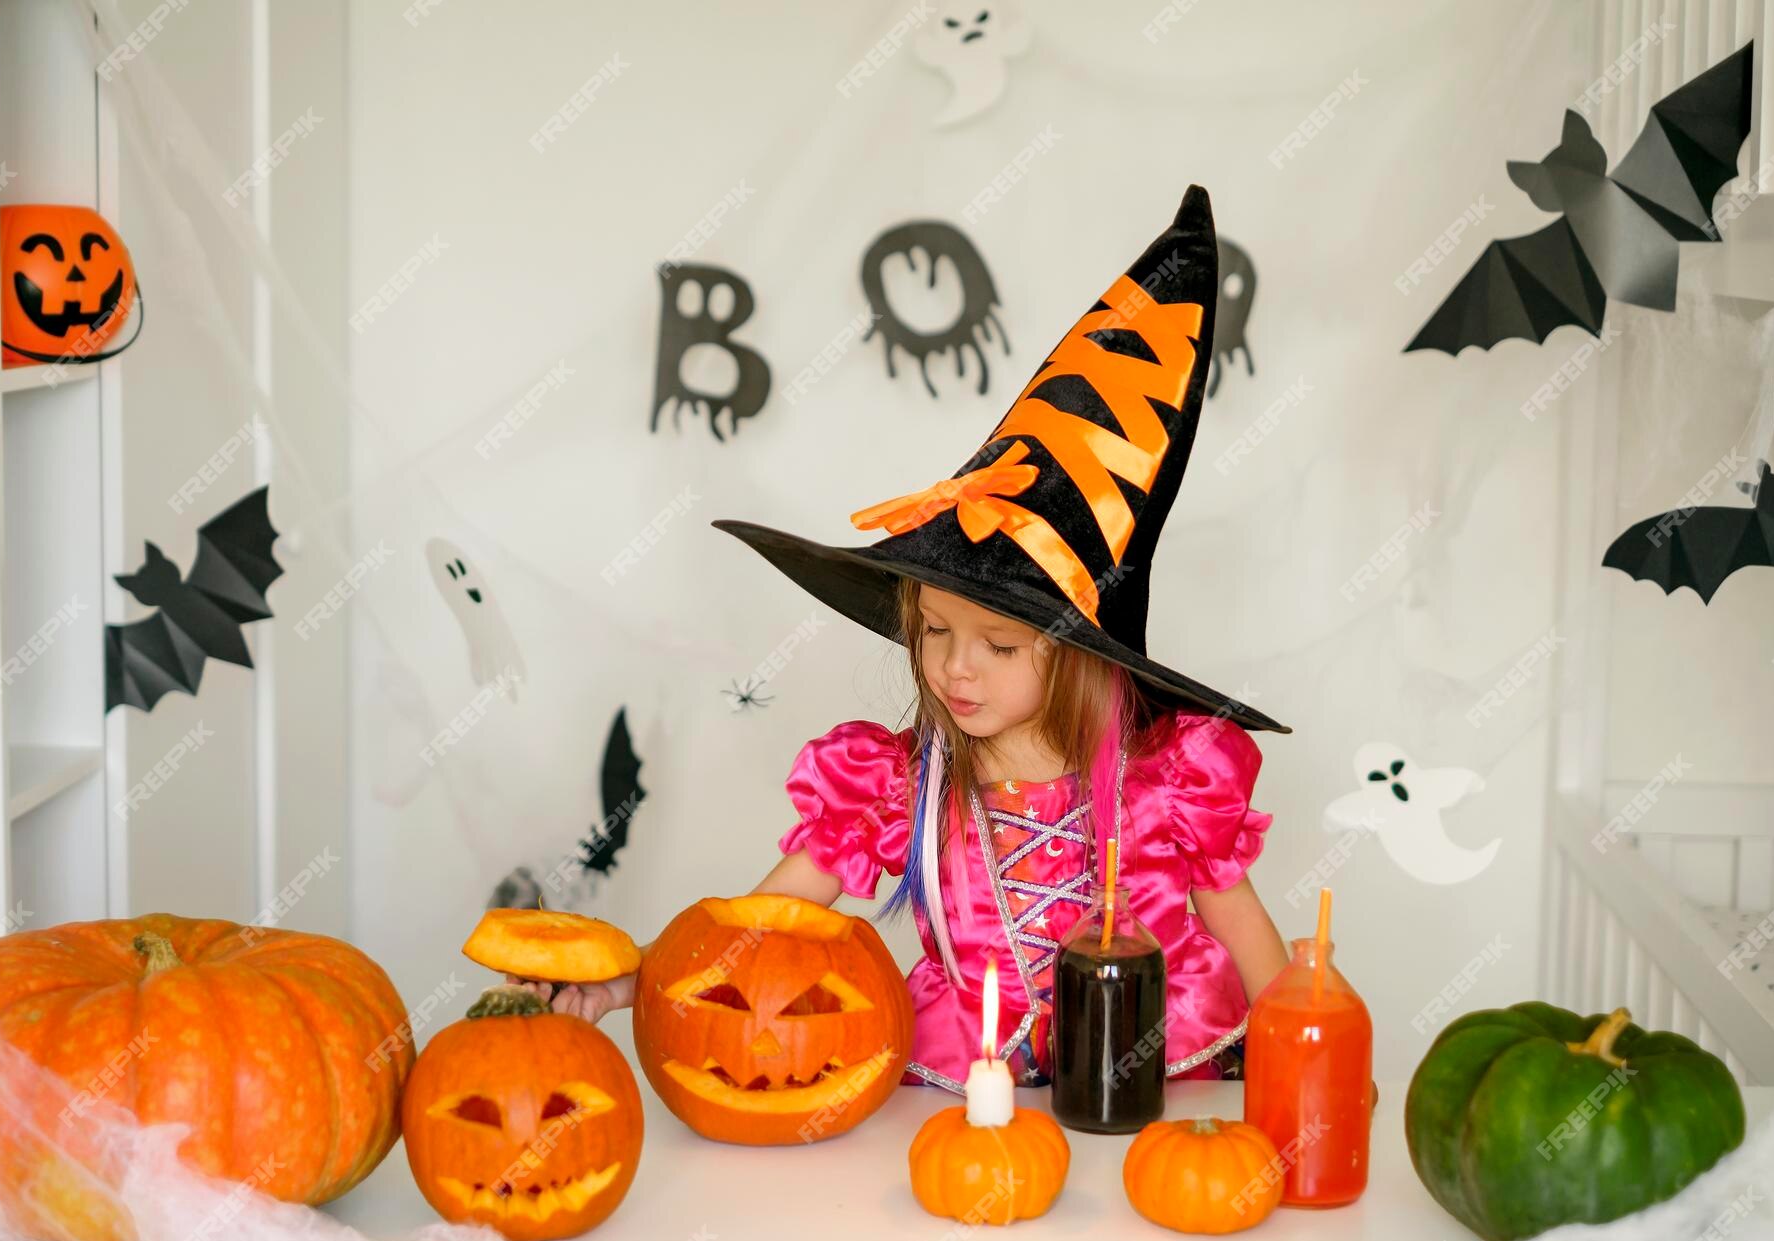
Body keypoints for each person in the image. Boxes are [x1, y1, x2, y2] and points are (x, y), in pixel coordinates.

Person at [517, 186, 1293, 1089]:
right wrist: (633, 974)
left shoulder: (1169, 779)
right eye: (932, 631)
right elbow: (761, 920)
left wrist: (1309, 1057)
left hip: (1149, 1081)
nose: (955, 665)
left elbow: (1254, 945)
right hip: (964, 1091)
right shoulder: (898, 788)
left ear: (1080, 654)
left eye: (999, 645)